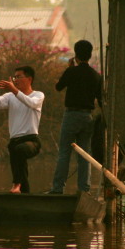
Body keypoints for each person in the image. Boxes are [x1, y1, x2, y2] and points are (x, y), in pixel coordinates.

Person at [48, 40, 102, 194]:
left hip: (71, 115)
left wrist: (70, 69)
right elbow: (101, 100)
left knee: (64, 152)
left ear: (76, 55)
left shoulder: (71, 72)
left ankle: (58, 188)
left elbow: (58, 87)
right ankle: (84, 190)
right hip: (87, 117)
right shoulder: (96, 76)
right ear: (90, 55)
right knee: (85, 154)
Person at [0, 65, 45, 194]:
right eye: (15, 77)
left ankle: (16, 184)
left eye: (19, 77)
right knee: (18, 155)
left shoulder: (38, 95)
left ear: (29, 79)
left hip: (31, 140)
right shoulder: (10, 96)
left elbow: (31, 103)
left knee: (19, 151)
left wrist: (14, 90)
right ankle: (24, 191)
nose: (16, 80)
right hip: (15, 141)